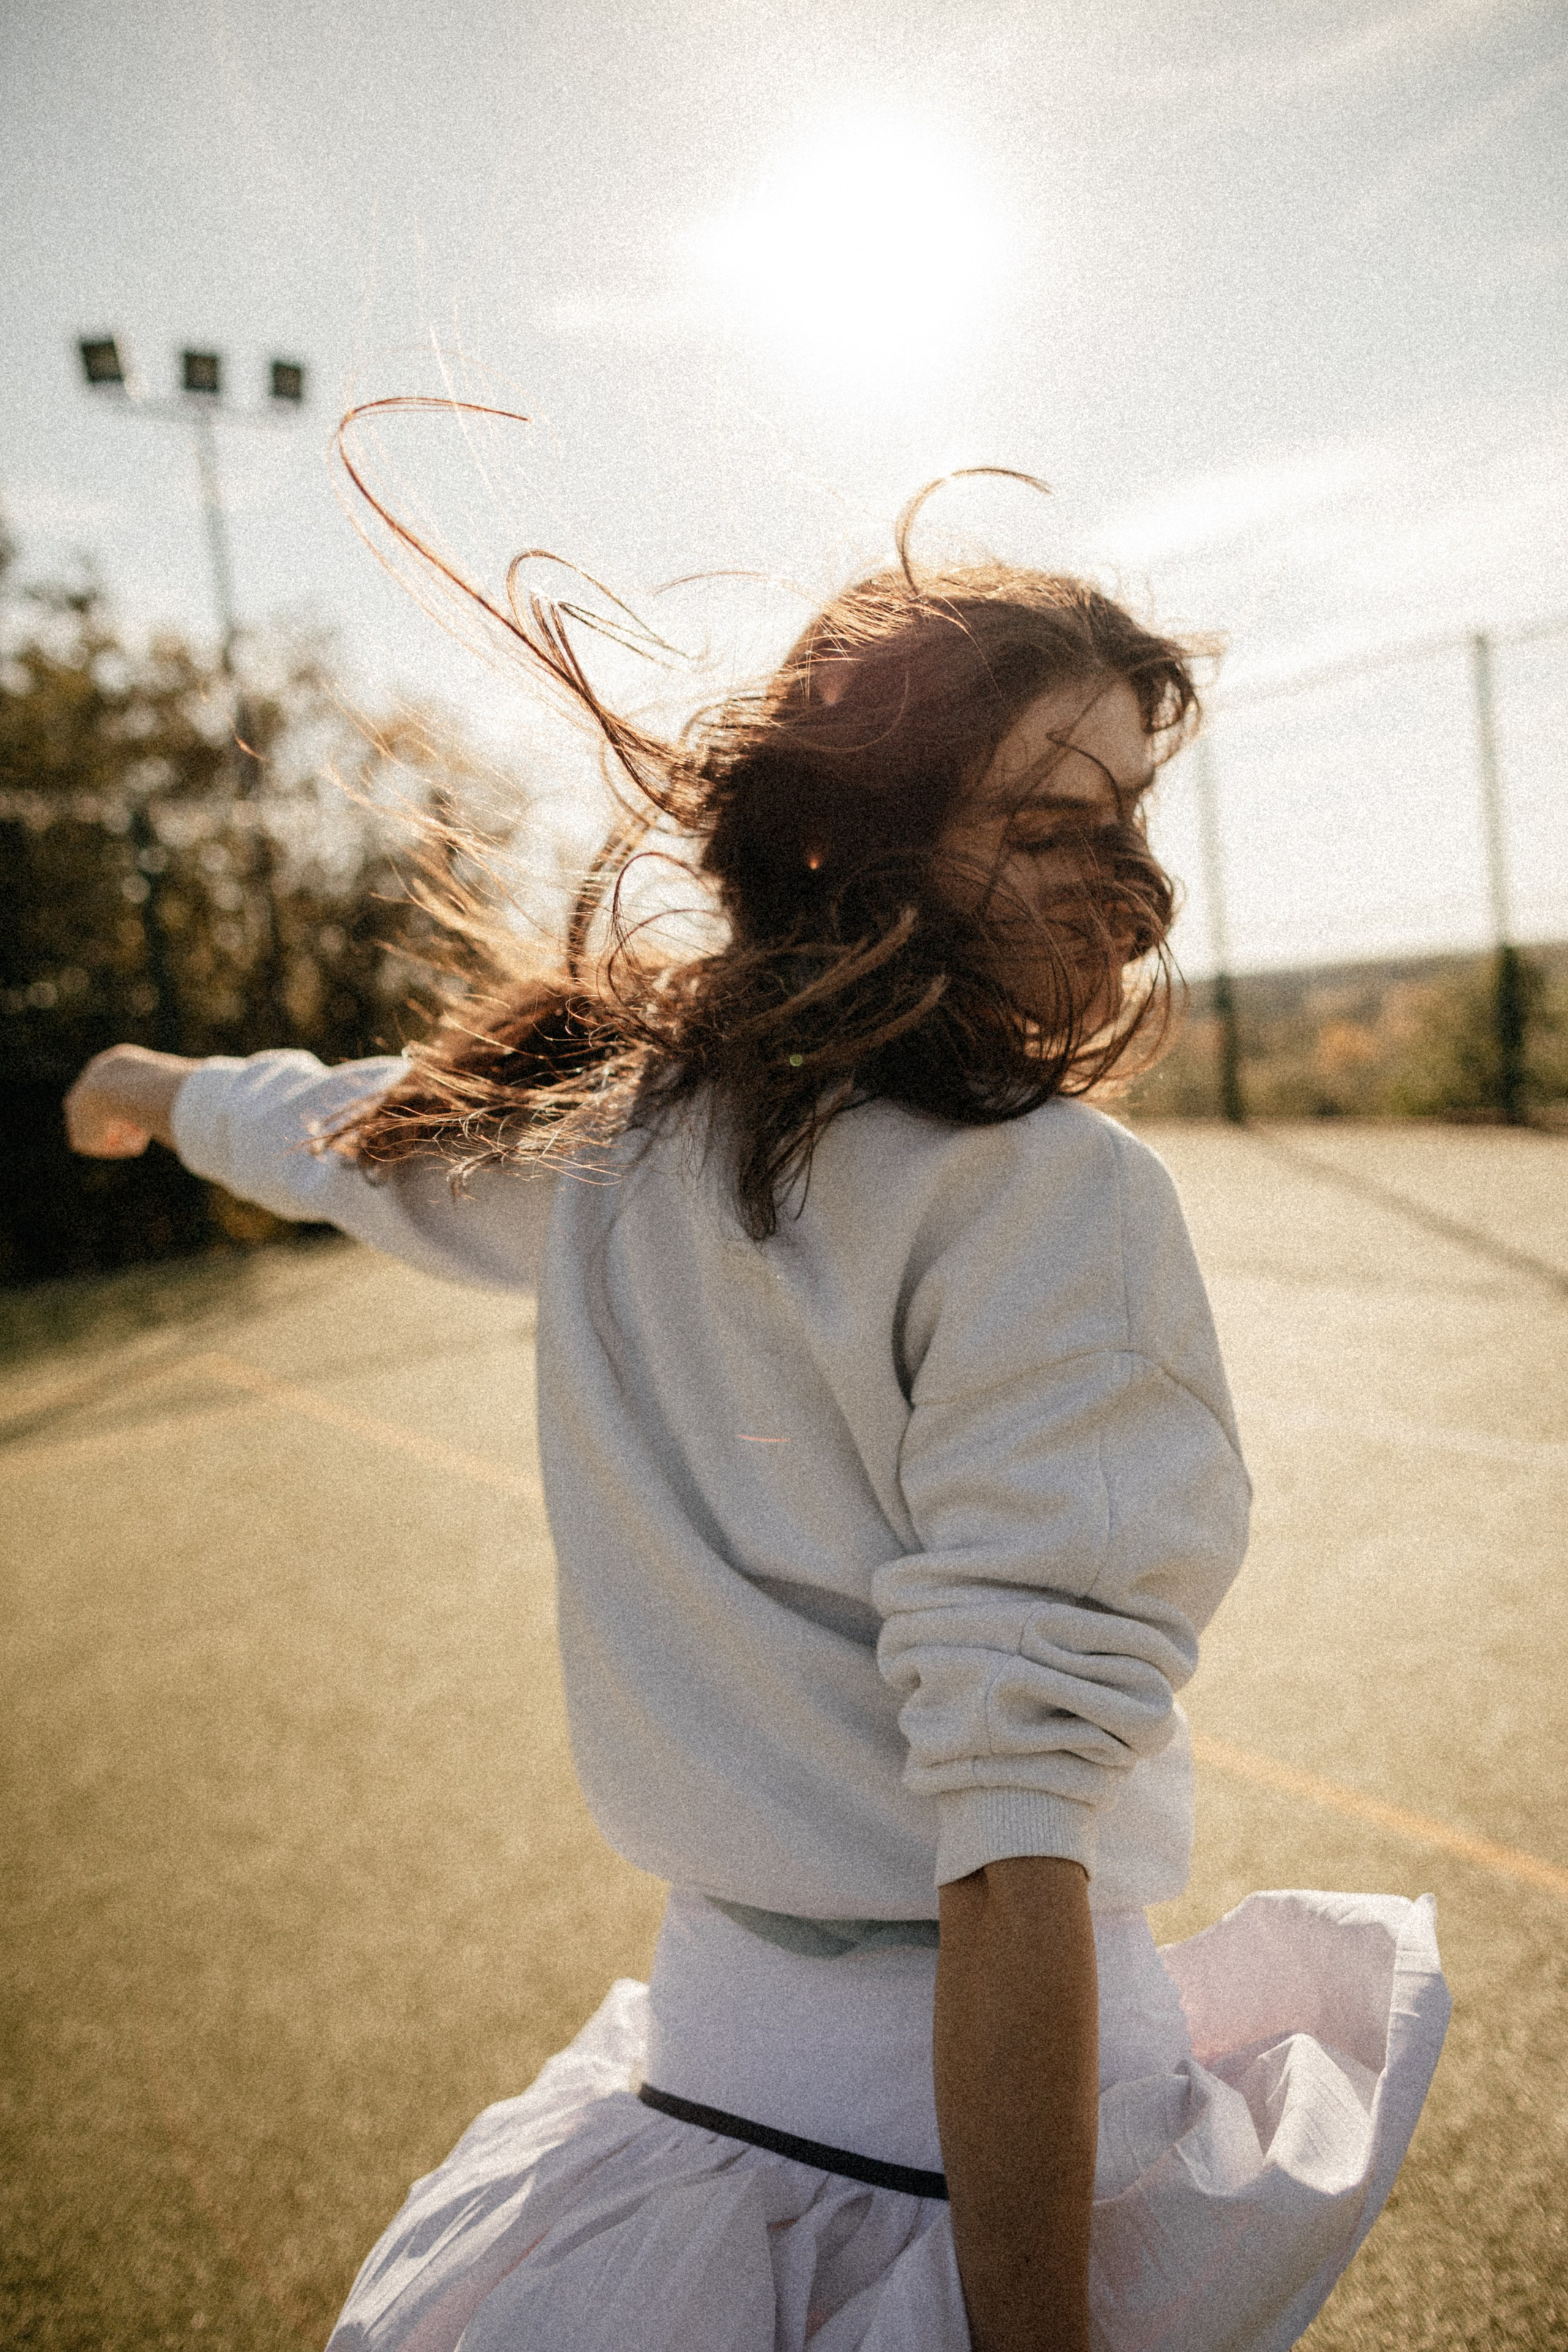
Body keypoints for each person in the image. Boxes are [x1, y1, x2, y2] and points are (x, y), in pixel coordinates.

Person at [66, 528, 1450, 2352]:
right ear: (849, 841)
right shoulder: (1051, 1196)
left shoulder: (616, 1148)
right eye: (1049, 821)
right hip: (985, 2179)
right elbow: (1014, 1850)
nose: (1125, 888)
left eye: (1129, 820)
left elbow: (352, 1138)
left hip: (700, 2140)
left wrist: (157, 1091)